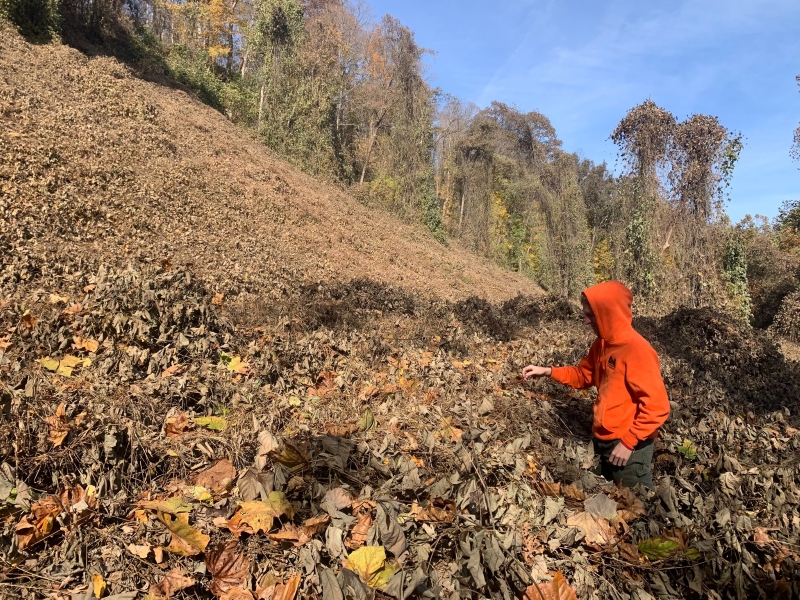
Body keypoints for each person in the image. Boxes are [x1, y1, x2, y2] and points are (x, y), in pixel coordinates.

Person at [522, 280, 669, 489]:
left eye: (591, 315)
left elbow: (658, 407)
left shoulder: (638, 351)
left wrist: (628, 442)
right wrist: (549, 371)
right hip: (602, 442)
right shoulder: (601, 344)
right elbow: (583, 375)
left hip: (629, 449)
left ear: (608, 314)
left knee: (639, 509)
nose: (586, 321)